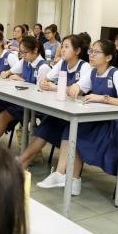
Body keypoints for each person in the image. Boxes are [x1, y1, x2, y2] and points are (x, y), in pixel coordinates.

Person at [37, 39, 118, 196]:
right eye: (91, 51)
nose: (92, 55)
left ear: (108, 57)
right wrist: (75, 87)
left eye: (96, 52)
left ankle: (62, 175)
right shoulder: (93, 72)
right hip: (98, 119)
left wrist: (103, 98)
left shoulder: (115, 74)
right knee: (72, 128)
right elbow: (77, 87)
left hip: (115, 125)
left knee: (77, 131)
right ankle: (71, 180)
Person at [18, 34, 93, 168]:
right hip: (61, 110)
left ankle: (23, 163)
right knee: (45, 126)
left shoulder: (84, 67)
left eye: (66, 47)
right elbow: (45, 80)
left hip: (77, 116)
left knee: (49, 125)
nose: (62, 50)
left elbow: (75, 91)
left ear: (77, 51)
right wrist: (46, 84)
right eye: (62, 46)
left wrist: (54, 87)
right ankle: (21, 163)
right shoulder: (62, 63)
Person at [0, 36, 50, 141]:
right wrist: (6, 73)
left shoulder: (43, 67)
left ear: (35, 50)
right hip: (23, 100)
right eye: (21, 53)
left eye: (24, 53)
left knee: (5, 115)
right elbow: (10, 72)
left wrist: (22, 81)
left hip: (36, 105)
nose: (22, 55)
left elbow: (40, 92)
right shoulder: (25, 61)